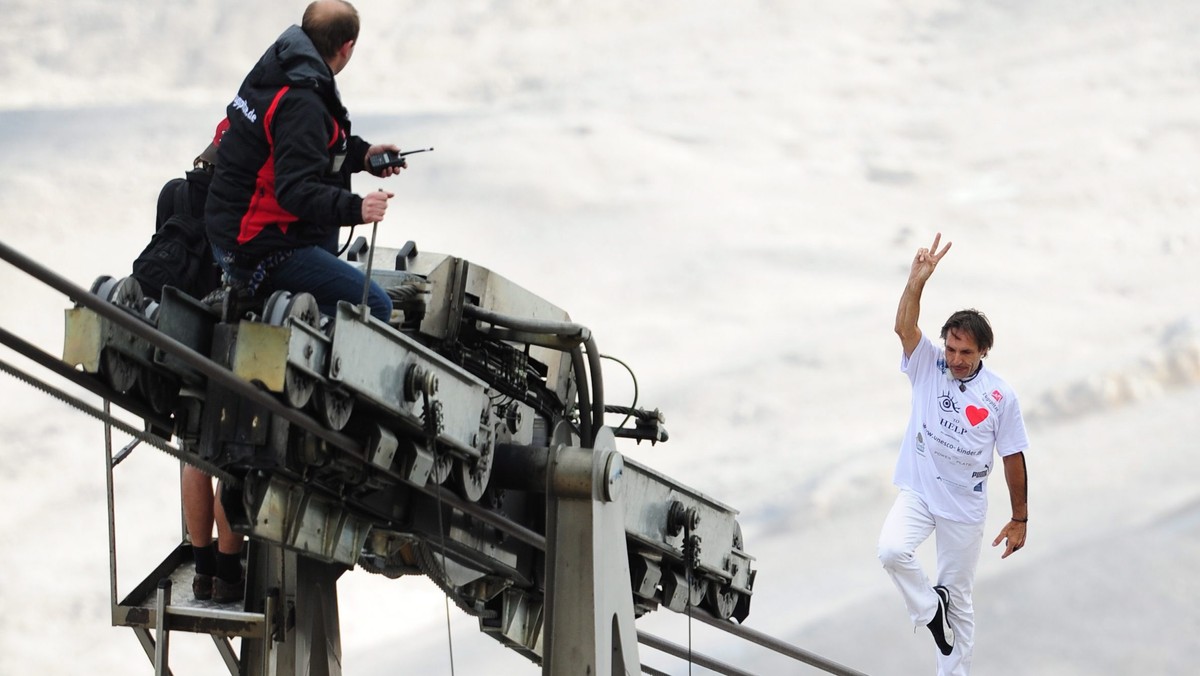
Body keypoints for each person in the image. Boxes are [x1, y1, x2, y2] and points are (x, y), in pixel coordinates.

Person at [877, 233, 1029, 675]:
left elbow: (1014, 456)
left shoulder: (1000, 396)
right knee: (890, 551)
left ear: (983, 351)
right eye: (951, 348)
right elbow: (904, 327)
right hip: (920, 493)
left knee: (959, 599)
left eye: (965, 352)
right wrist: (915, 282)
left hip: (964, 507)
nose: (956, 359)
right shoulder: (928, 363)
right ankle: (929, 609)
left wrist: (1020, 518)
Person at [205, 0, 404, 323]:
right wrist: (357, 208)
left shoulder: (280, 66)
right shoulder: (304, 102)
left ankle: (269, 301)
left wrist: (362, 156)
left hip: (228, 227)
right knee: (374, 307)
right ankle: (260, 308)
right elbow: (296, 190)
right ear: (347, 46)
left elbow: (305, 144)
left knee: (324, 232)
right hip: (256, 247)